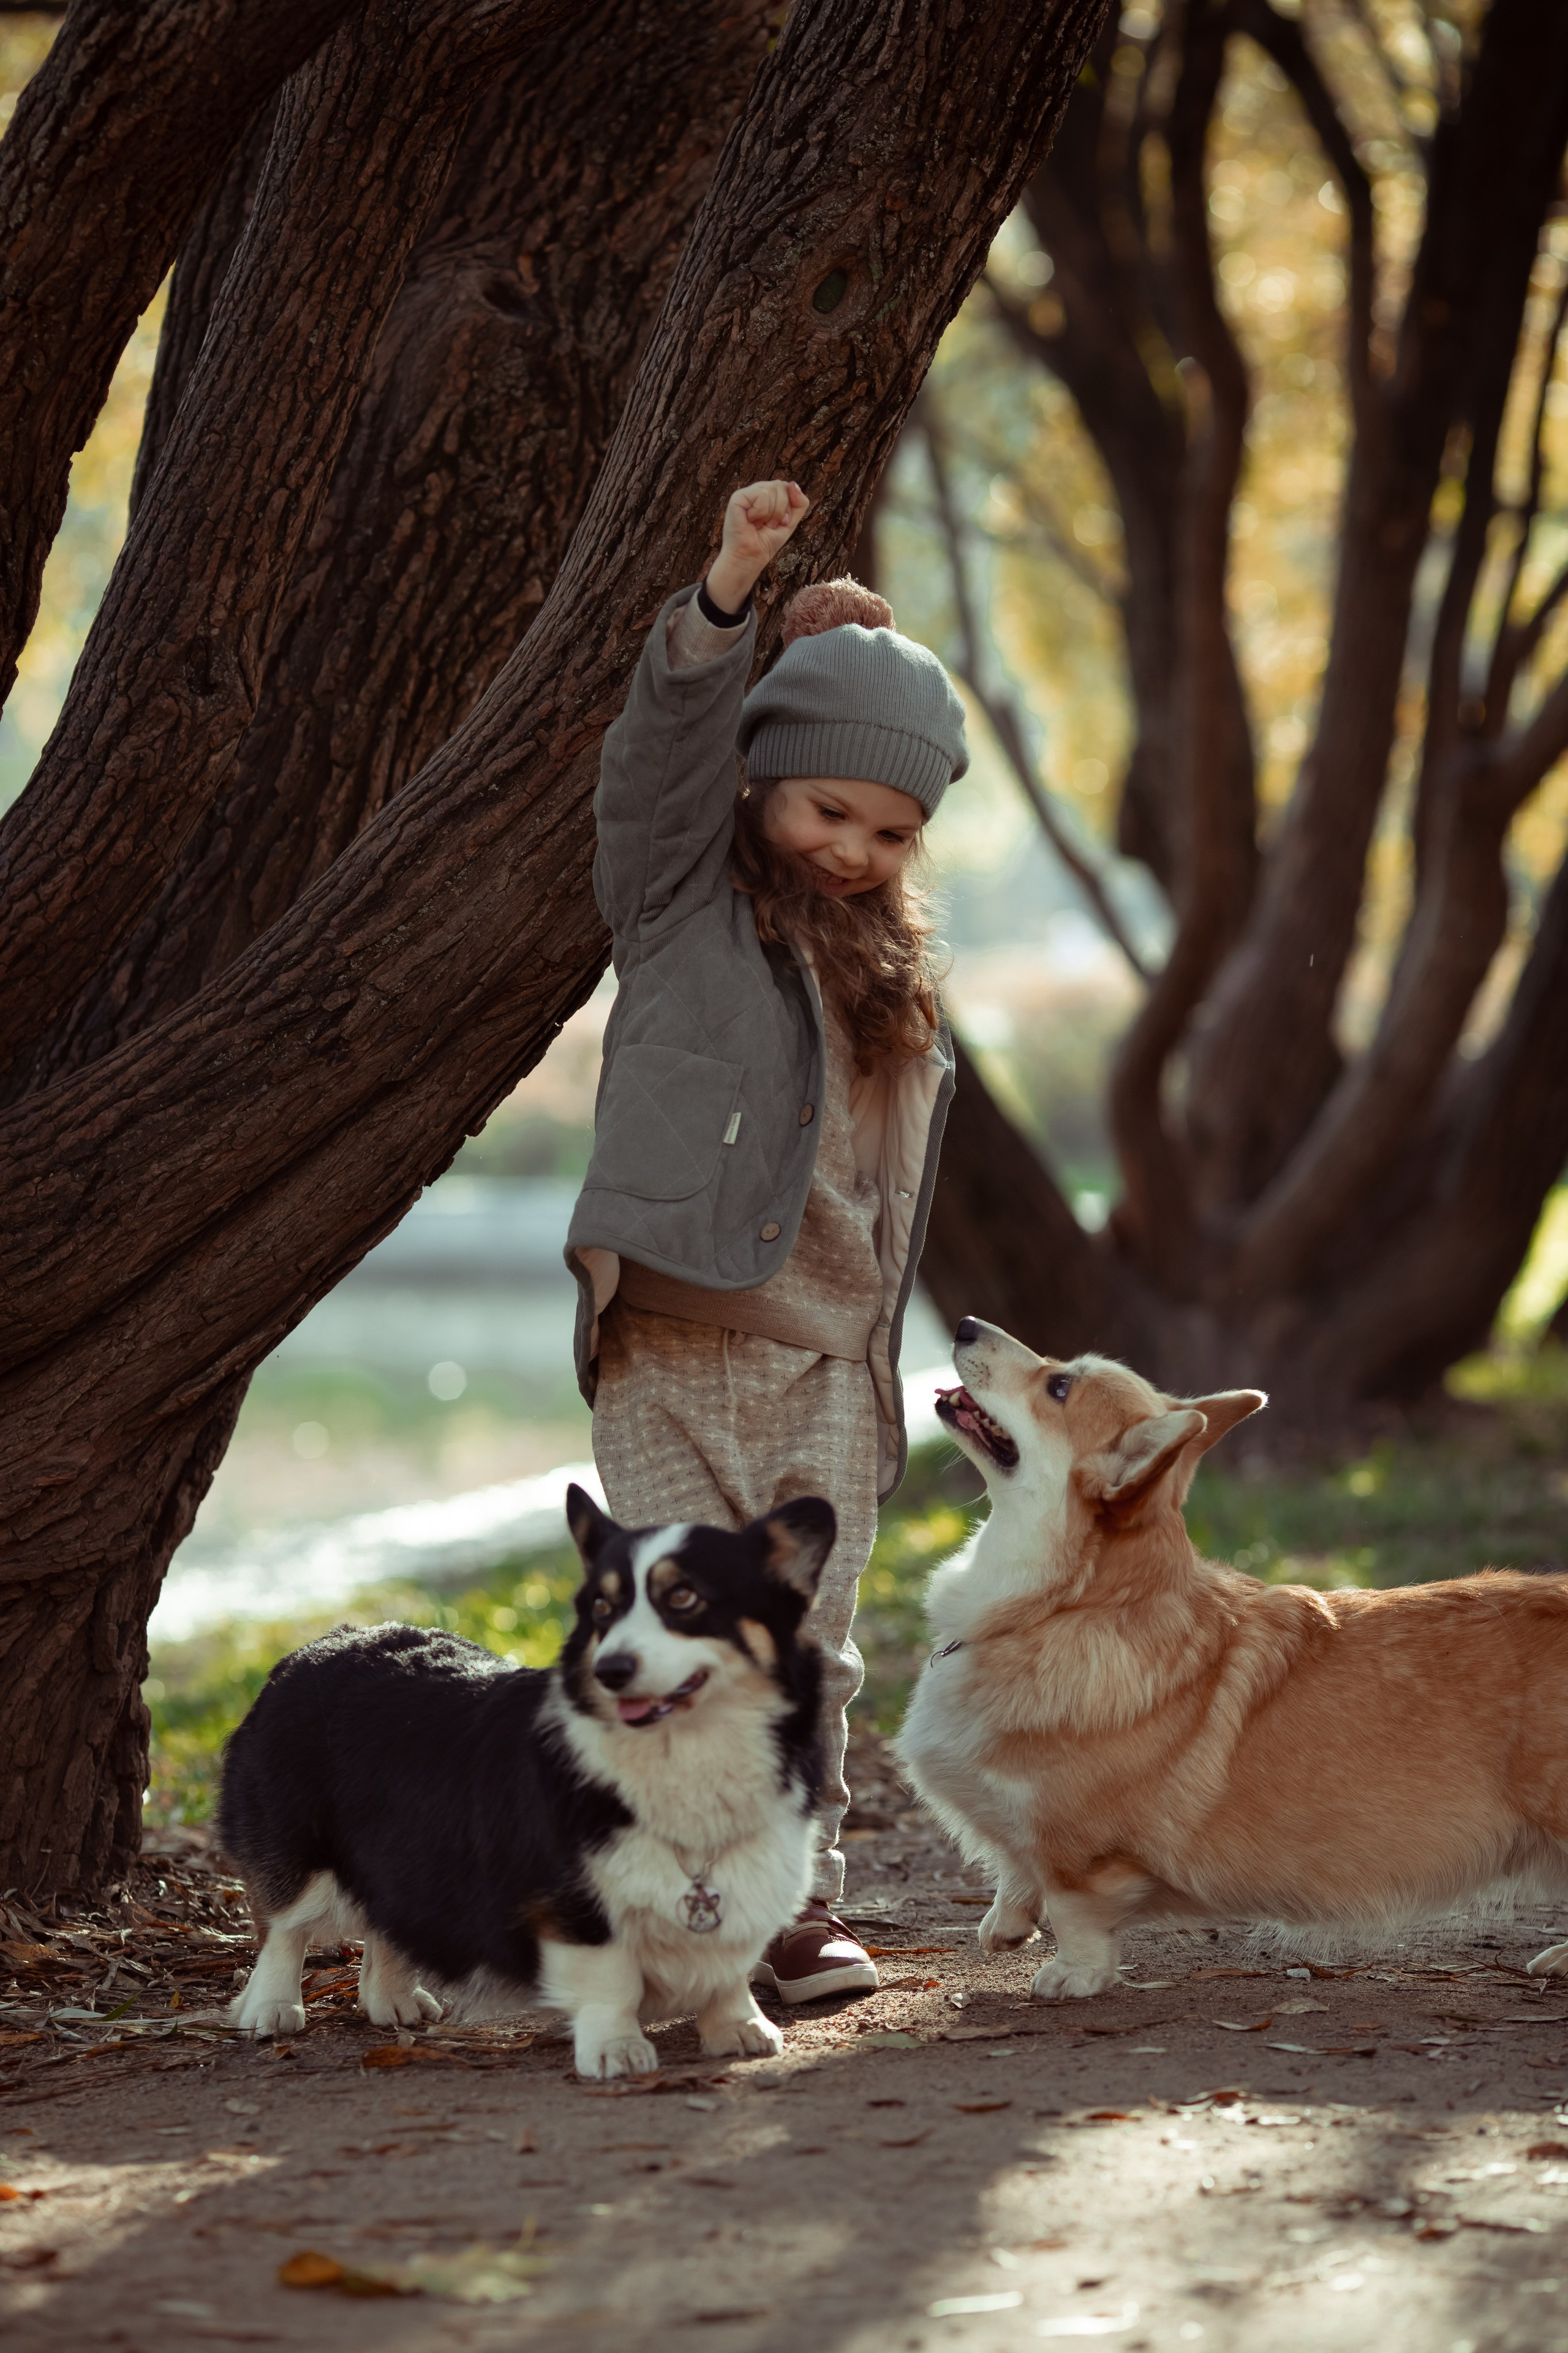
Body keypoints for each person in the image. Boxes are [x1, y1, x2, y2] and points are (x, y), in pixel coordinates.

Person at [567, 478, 967, 2001]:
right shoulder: (676, 900)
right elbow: (659, 756)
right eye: (824, 810)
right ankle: (665, 1894)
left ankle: (791, 1907)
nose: (853, 849)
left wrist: (879, 1371)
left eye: (889, 829)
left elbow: (881, 1195)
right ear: (758, 788)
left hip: (821, 1370)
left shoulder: (895, 991)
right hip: (671, 1349)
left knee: (809, 1651)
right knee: (672, 1646)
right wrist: (731, 587)